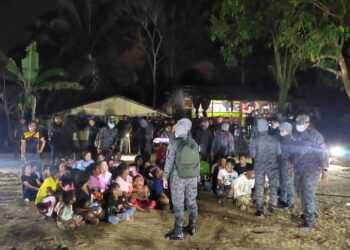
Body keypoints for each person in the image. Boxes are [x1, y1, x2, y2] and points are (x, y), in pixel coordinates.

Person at [163, 118, 200, 240]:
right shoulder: (193, 142)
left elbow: (169, 161)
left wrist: (165, 177)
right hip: (192, 177)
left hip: (178, 177)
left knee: (179, 204)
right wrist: (197, 177)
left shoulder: (174, 142)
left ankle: (178, 231)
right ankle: (192, 226)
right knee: (191, 202)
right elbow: (197, 162)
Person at [292, 114, 329, 230]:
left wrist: (325, 169)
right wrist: (291, 164)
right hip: (299, 169)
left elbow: (323, 152)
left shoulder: (316, 136)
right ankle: (313, 212)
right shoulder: (297, 135)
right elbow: (295, 151)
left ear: (307, 124)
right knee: (300, 192)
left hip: (312, 169)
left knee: (307, 194)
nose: (298, 126)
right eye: (297, 124)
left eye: (300, 124)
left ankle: (309, 223)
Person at [249, 119, 281, 217]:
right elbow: (279, 153)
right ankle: (272, 206)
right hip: (273, 166)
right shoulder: (275, 139)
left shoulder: (255, 139)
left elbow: (252, 154)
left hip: (259, 166)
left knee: (259, 186)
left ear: (258, 128)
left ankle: (260, 210)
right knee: (273, 186)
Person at [278, 122, 296, 210]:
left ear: (287, 130)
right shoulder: (283, 139)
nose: (280, 131)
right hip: (283, 163)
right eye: (280, 129)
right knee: (283, 182)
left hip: (288, 164)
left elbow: (294, 154)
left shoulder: (291, 140)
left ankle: (290, 203)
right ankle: (283, 201)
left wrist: (291, 166)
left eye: (282, 130)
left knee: (289, 183)